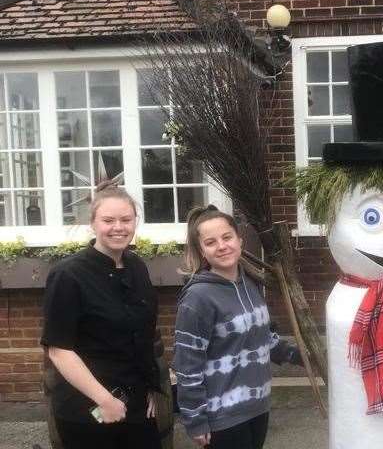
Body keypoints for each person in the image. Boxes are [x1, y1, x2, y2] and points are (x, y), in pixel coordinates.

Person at [41, 181, 162, 449]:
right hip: (88, 411)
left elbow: (143, 335)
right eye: (108, 220)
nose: (118, 227)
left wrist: (150, 385)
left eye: (126, 220)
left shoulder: (137, 267)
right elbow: (59, 350)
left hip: (137, 403)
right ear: (93, 223)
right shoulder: (68, 274)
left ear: (135, 222)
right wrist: (104, 400)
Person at [174, 205, 302, 449]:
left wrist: (297, 355)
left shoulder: (249, 284)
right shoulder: (197, 298)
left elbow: (262, 338)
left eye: (227, 237)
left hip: (257, 405)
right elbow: (188, 366)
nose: (222, 246)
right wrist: (195, 420)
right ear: (202, 251)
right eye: (211, 242)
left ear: (239, 240)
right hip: (222, 416)